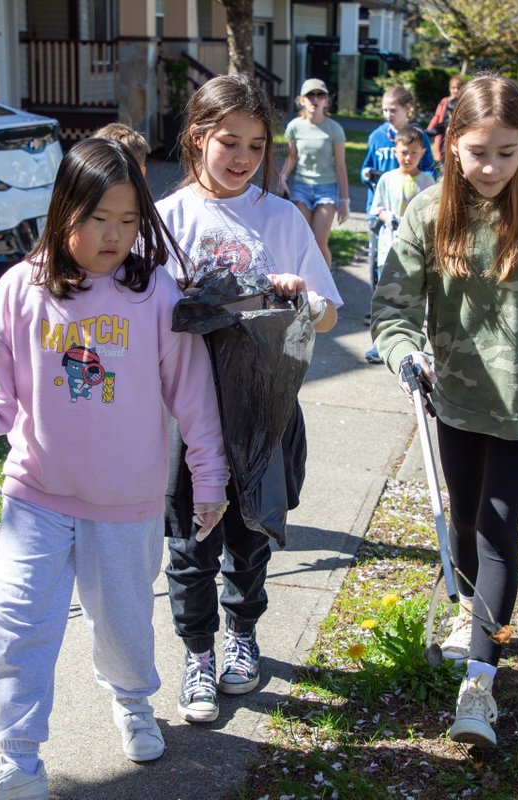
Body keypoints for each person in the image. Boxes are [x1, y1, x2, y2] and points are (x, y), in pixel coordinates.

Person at [0, 137, 229, 800]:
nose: (115, 235)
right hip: (36, 494)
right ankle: (18, 761)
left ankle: (131, 700)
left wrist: (209, 477)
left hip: (128, 504)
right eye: (99, 220)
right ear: (65, 212)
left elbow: (193, 396)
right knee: (17, 623)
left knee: (121, 626)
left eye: (128, 220)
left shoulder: (153, 293)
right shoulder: (20, 290)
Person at [371, 75, 518, 748]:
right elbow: (393, 309)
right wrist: (404, 351)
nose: (491, 166)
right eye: (477, 151)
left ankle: (479, 683)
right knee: (463, 525)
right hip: (456, 401)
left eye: (507, 150)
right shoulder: (428, 210)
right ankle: (469, 609)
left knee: (497, 531)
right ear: (451, 146)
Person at [157, 73, 343, 726]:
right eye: (228, 142)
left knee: (249, 537)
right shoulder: (168, 220)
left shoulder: (282, 217)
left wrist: (300, 297)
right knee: (189, 541)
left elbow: (324, 318)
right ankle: (198, 652)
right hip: (187, 418)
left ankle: (242, 635)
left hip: (264, 412)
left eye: (256, 146)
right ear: (197, 138)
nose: (242, 158)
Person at [361, 86, 434, 362]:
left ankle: (410, 342)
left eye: (394, 109)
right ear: (396, 151)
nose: (408, 157)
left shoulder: (426, 178)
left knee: (413, 297)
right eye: (385, 110)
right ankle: (380, 342)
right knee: (383, 293)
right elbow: (373, 201)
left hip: (417, 246)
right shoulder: (377, 140)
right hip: (386, 243)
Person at [278, 78, 350, 268]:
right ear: (302, 100)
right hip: (301, 187)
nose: (315, 99)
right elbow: (292, 157)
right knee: (302, 241)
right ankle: (303, 285)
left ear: (326, 101)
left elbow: (340, 167)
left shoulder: (335, 129)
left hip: (326, 189)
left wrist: (344, 201)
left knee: (319, 242)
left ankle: (326, 288)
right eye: (310, 95)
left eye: (320, 95)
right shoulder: (294, 126)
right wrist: (282, 176)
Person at [426, 73, 466, 162]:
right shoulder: (445, 101)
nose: (456, 90)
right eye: (453, 88)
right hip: (442, 133)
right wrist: (429, 130)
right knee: (440, 157)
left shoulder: (463, 103)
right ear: (450, 89)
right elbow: (436, 117)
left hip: (455, 134)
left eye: (458, 88)